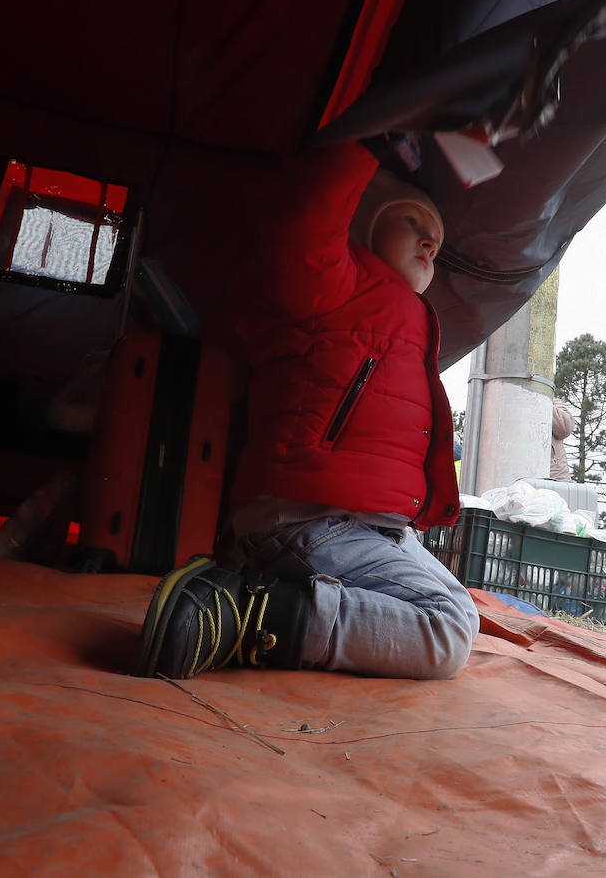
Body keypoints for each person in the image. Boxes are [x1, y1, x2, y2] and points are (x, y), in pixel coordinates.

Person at [135, 140, 479, 682]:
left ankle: (268, 589)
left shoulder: (404, 315)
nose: (431, 241)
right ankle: (248, 613)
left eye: (436, 237)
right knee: (447, 629)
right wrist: (365, 145)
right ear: (362, 220)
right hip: (307, 516)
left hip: (369, 524)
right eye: (412, 221)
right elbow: (306, 228)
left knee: (461, 612)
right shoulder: (332, 284)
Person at [549, 397, 573, 482]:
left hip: (556, 479)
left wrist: (541, 401)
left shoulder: (550, 399)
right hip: (516, 479)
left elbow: (565, 428)